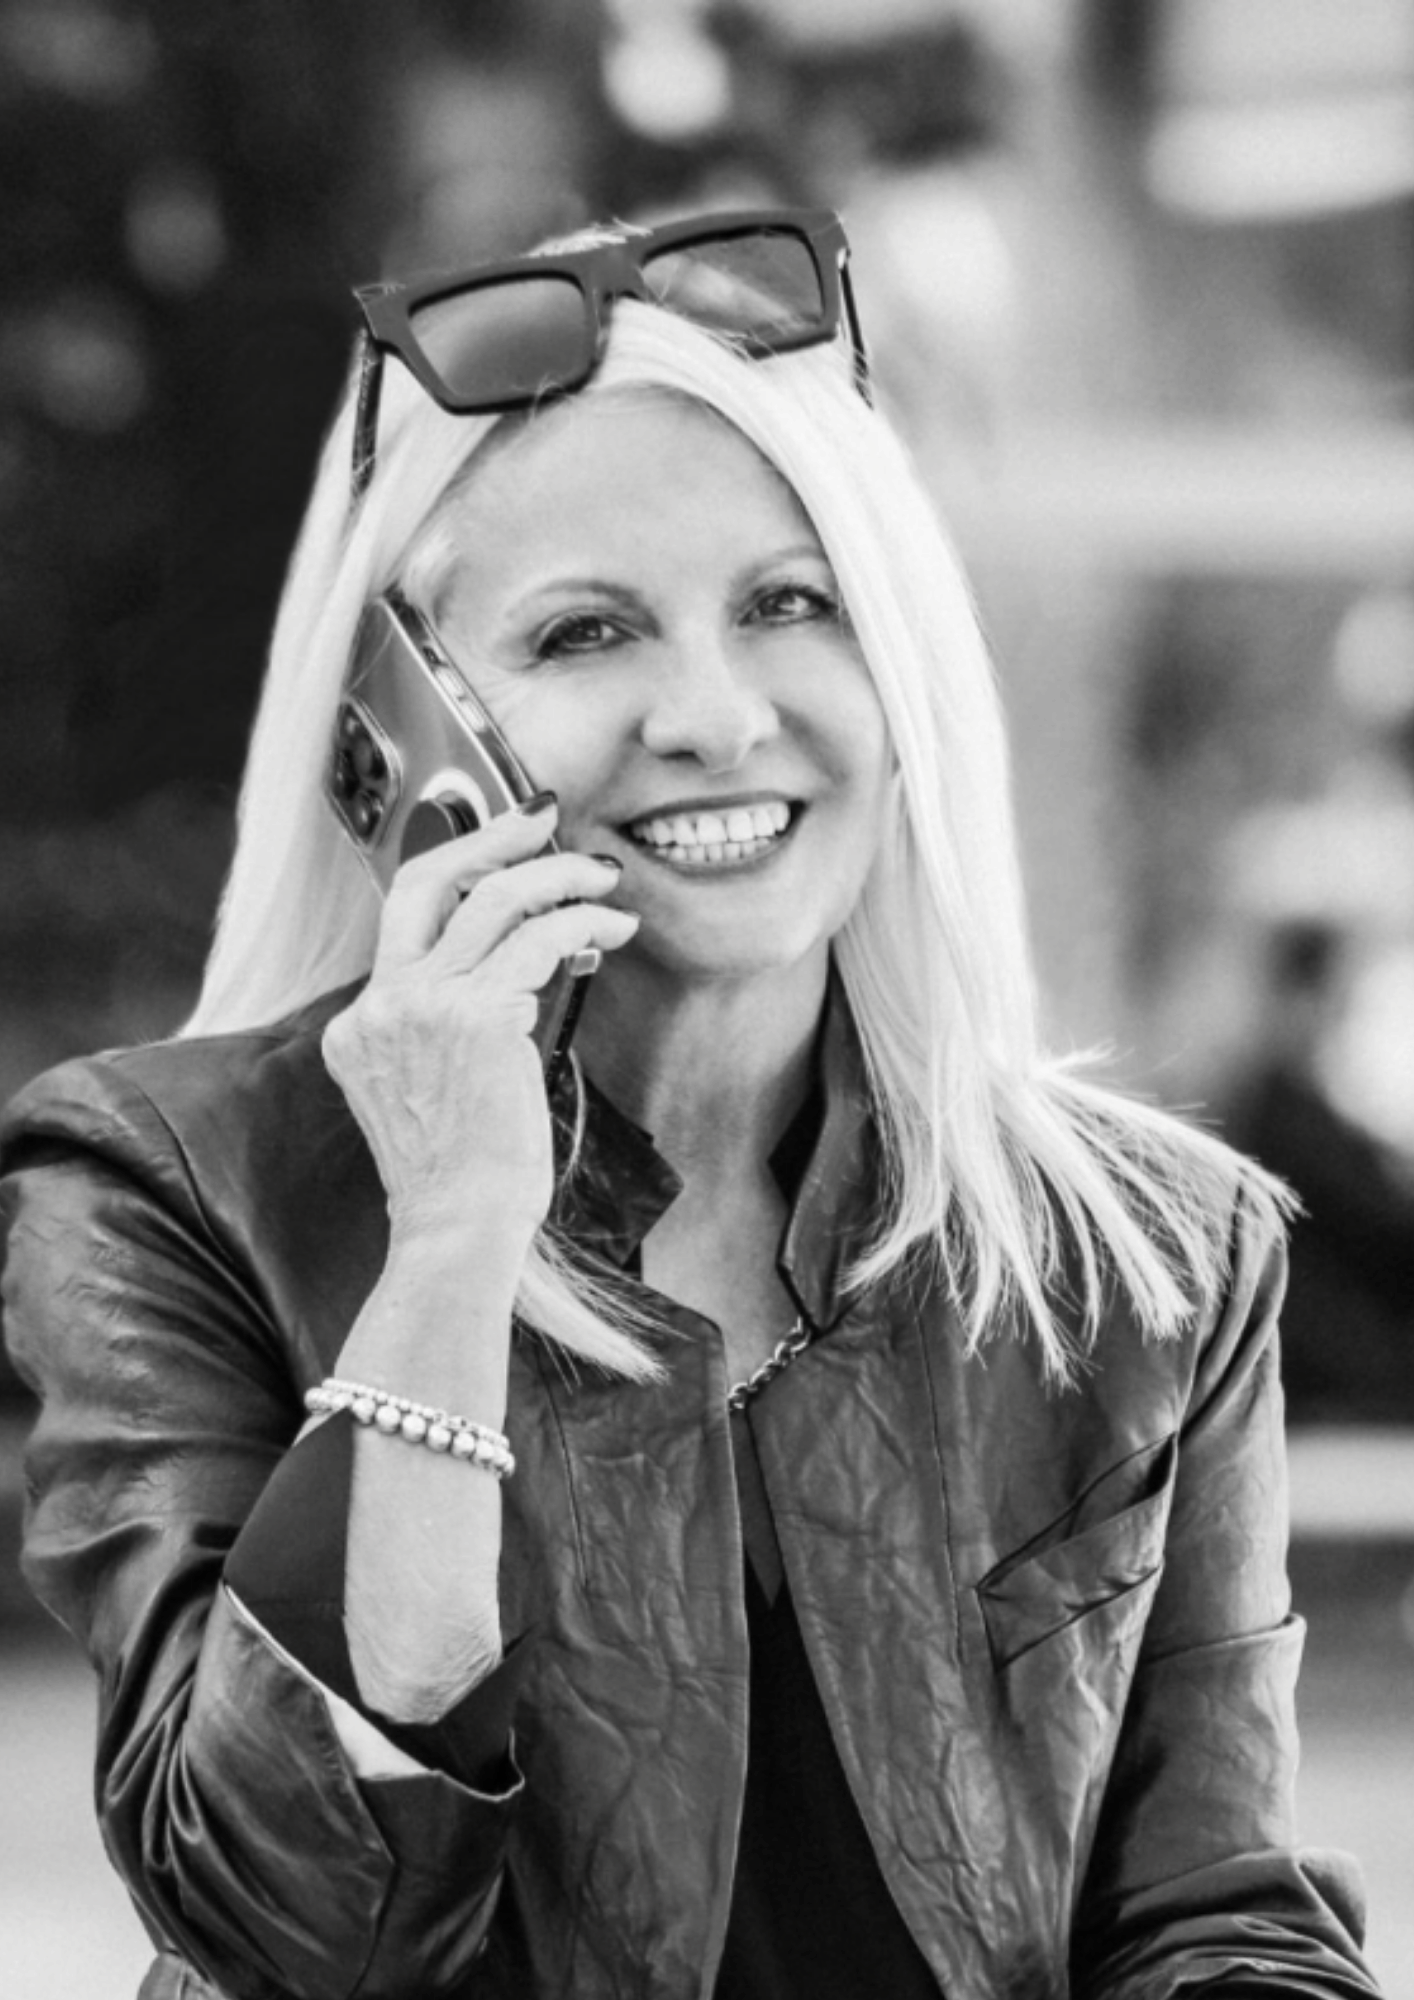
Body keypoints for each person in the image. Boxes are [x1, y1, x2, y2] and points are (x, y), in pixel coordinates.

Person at [0, 210, 1381, 2000]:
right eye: (586, 632)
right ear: (399, 734)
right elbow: (297, 1934)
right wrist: (447, 1250)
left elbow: (1216, 1911)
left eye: (790, 604)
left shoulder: (1149, 1251)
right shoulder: (163, 1188)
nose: (717, 718)